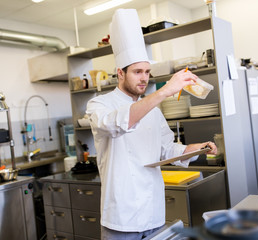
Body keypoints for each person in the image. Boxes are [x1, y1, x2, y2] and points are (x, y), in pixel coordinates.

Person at [86, 9, 217, 240]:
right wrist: (165, 91)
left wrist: (196, 148)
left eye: (147, 72)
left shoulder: (153, 112)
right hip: (120, 218)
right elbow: (117, 123)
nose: (144, 78)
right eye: (137, 72)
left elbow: (168, 149)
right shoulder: (99, 105)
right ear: (120, 73)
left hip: (153, 213)